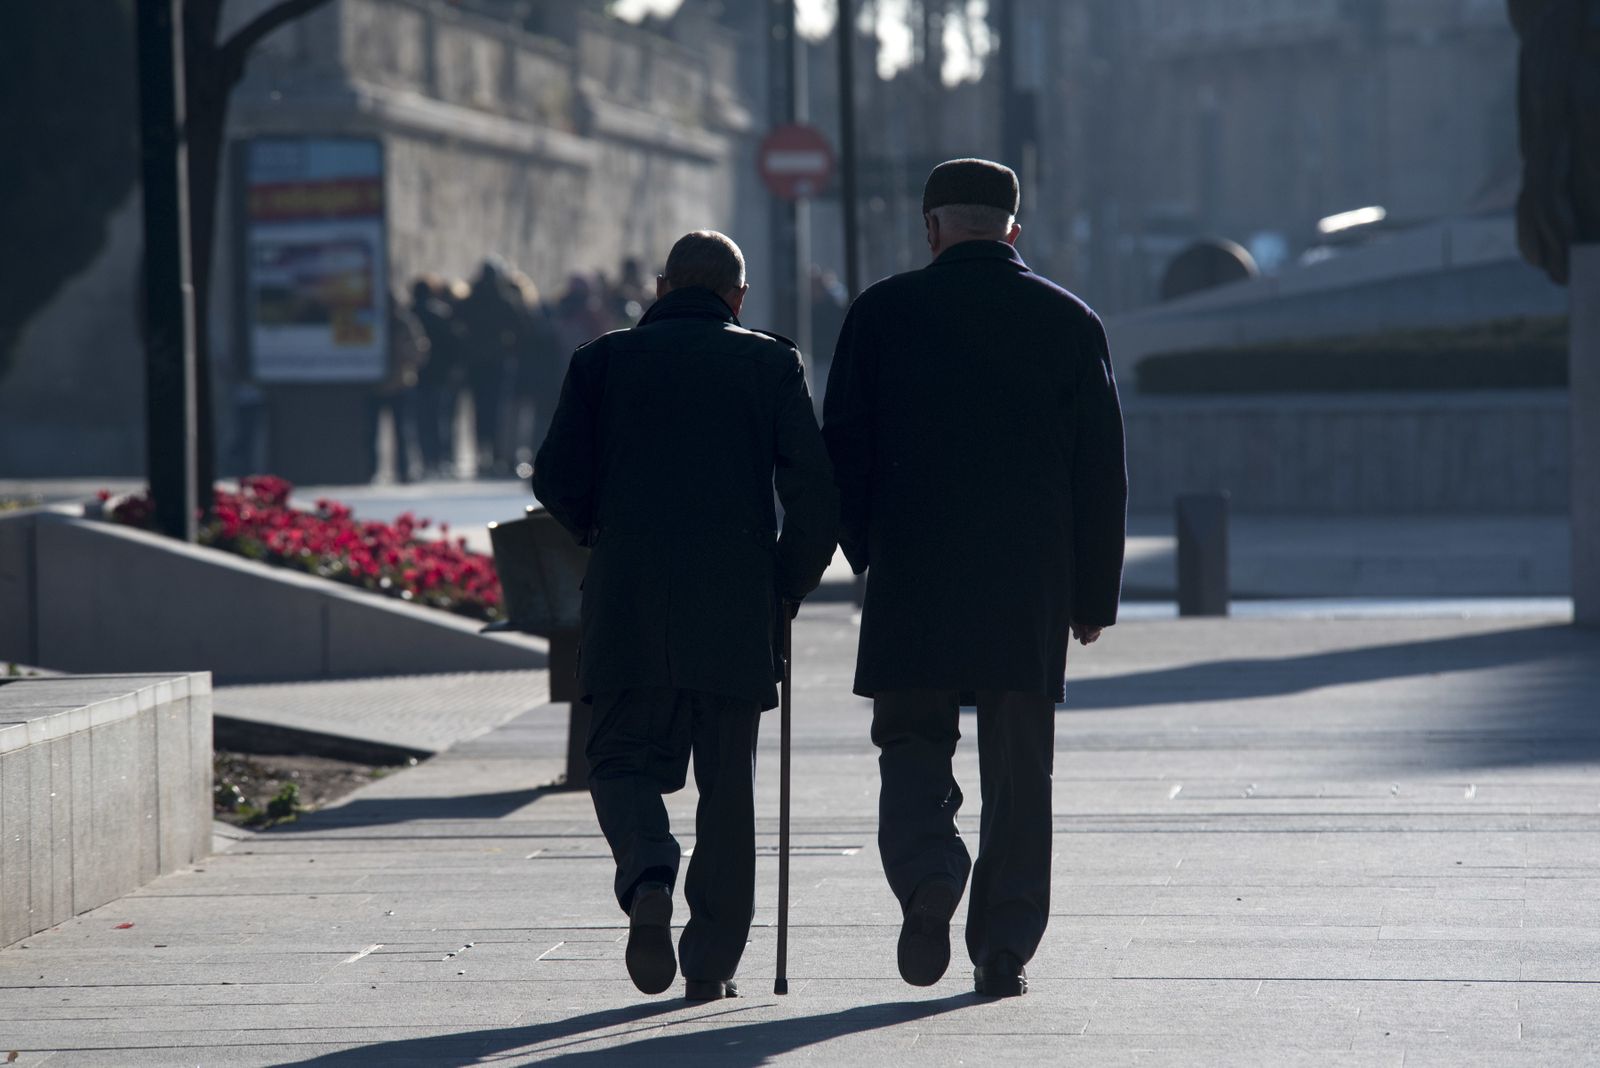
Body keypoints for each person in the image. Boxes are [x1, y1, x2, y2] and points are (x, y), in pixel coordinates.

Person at [821, 158, 1127, 998]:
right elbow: (1099, 469)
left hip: (914, 570)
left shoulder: (881, 314)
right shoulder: (1070, 321)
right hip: (1027, 579)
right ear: (1014, 230)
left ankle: (927, 871)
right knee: (1020, 765)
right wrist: (1092, 592)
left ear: (931, 228)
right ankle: (1004, 945)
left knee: (912, 740)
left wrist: (862, 545)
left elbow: (839, 448)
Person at [533, 231, 838, 1001]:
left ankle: (646, 874)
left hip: (629, 589)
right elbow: (814, 495)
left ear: (663, 287)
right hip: (734, 596)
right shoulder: (772, 362)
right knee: (727, 784)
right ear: (738, 297)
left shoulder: (601, 361)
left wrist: (603, 530)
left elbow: (555, 478)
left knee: (618, 758)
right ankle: (711, 963)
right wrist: (786, 584)